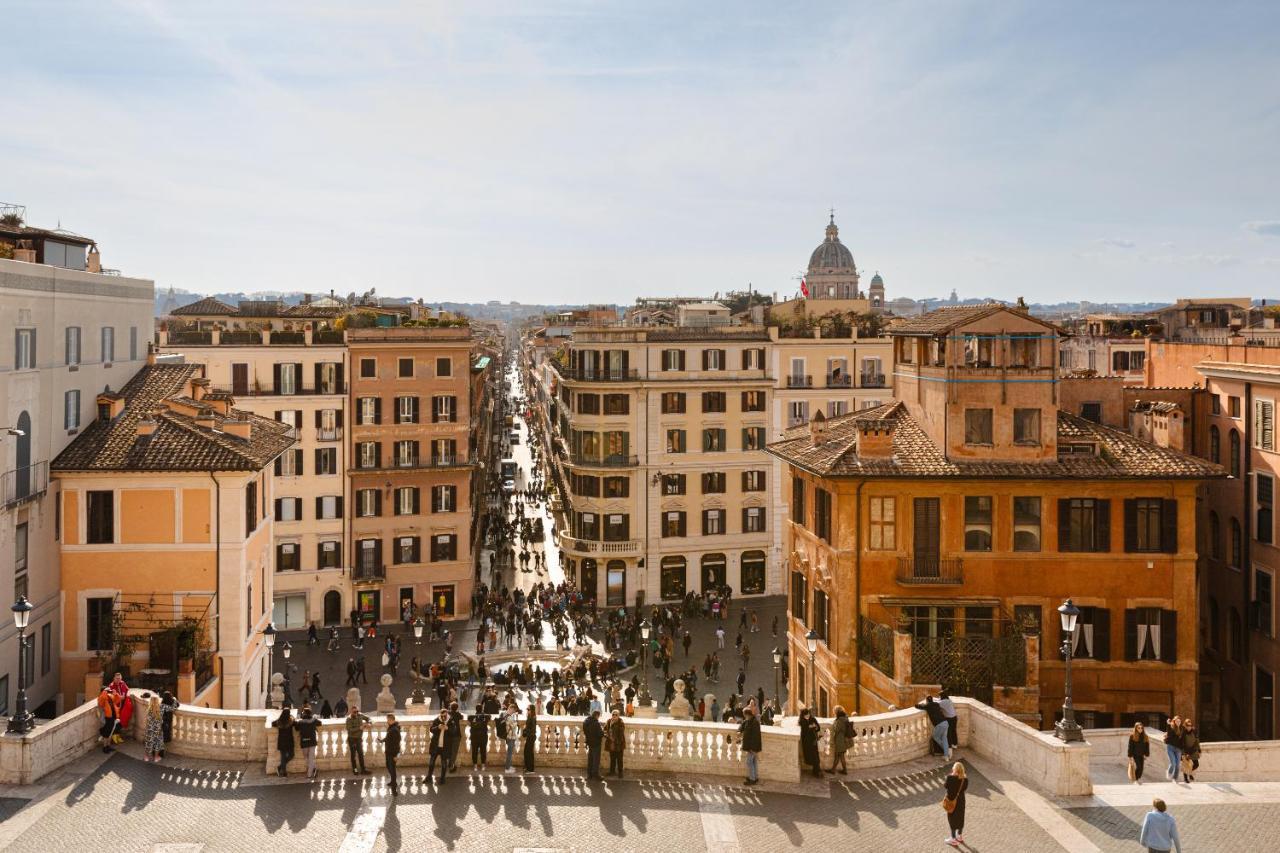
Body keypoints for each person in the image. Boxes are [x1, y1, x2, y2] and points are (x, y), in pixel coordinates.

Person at [916, 695, 951, 761]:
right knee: (944, 738)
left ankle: (946, 751)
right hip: (945, 722)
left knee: (935, 737)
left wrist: (920, 704)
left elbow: (917, 706)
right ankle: (946, 755)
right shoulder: (936, 704)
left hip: (939, 724)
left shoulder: (927, 706)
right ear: (932, 700)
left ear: (927, 701)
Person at [943, 762, 968, 846]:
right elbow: (964, 789)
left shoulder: (949, 778)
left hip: (952, 801)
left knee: (952, 819)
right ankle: (960, 836)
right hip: (961, 801)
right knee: (960, 818)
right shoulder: (965, 779)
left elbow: (945, 786)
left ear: (955, 769)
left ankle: (953, 839)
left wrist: (951, 775)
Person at [738, 705, 762, 785]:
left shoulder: (754, 722)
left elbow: (755, 737)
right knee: (753, 762)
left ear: (747, 714)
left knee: (749, 762)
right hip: (751, 747)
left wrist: (752, 748)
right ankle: (755, 777)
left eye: (744, 715)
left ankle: (752, 779)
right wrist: (740, 730)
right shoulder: (748, 720)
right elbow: (742, 725)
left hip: (752, 747)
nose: (744, 717)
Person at [829, 705, 854, 774]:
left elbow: (836, 729)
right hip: (843, 739)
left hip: (839, 740)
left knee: (839, 755)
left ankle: (842, 770)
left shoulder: (840, 720)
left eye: (834, 711)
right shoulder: (846, 718)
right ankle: (834, 769)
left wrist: (834, 724)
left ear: (836, 712)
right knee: (839, 755)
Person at [296, 705, 319, 779]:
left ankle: (309, 774)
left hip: (304, 741)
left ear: (304, 714)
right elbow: (320, 723)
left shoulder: (300, 722)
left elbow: (296, 728)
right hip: (312, 741)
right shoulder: (314, 720)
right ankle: (314, 768)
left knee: (306, 757)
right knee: (311, 758)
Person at [346, 706, 371, 775]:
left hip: (359, 739)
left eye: (357, 711)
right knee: (353, 755)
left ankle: (363, 769)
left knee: (360, 754)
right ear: (351, 712)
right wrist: (360, 728)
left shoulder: (360, 715)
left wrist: (369, 723)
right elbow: (350, 730)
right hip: (352, 739)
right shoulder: (349, 719)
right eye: (354, 712)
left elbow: (368, 718)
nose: (356, 713)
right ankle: (355, 769)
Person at [798, 707, 822, 778]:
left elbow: (818, 727)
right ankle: (817, 771)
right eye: (806, 715)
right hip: (807, 742)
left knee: (816, 755)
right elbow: (805, 730)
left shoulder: (813, 719)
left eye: (808, 714)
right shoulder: (802, 721)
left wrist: (814, 727)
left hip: (814, 740)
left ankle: (817, 771)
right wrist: (811, 727)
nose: (807, 716)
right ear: (803, 715)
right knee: (812, 756)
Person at [429, 710, 451, 784]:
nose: (443, 717)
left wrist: (448, 729)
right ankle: (429, 777)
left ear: (447, 714)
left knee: (444, 764)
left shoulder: (450, 721)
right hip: (435, 745)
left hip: (445, 746)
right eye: (442, 716)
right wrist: (438, 727)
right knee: (431, 763)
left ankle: (442, 779)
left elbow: (454, 732)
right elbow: (431, 729)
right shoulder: (436, 720)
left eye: (445, 716)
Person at [382, 714, 402, 795]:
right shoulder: (391, 727)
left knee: (392, 770)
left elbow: (397, 743)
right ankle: (392, 781)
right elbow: (388, 738)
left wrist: (396, 755)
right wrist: (382, 740)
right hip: (388, 752)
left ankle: (394, 789)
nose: (387, 721)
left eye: (388, 720)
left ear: (391, 720)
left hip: (392, 753)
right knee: (388, 766)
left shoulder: (395, 729)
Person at [604, 708, 626, 778]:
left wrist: (615, 740)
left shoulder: (620, 723)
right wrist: (608, 736)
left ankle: (620, 772)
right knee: (612, 758)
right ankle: (612, 771)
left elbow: (621, 734)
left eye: (616, 715)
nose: (614, 716)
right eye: (613, 714)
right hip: (611, 744)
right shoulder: (608, 721)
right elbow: (605, 730)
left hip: (619, 744)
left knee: (619, 759)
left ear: (618, 715)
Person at [97, 687, 120, 753]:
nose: (109, 692)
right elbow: (100, 703)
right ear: (103, 692)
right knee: (106, 734)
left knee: (110, 733)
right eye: (107, 691)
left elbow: (117, 700)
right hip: (107, 718)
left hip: (113, 717)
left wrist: (116, 694)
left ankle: (108, 746)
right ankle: (105, 747)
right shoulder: (102, 698)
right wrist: (104, 692)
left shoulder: (110, 697)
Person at [583, 710, 604, 780]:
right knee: (596, 760)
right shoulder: (596, 723)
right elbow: (600, 734)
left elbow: (585, 732)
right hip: (596, 743)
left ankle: (589, 774)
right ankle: (596, 774)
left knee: (590, 759)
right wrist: (603, 731)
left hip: (589, 742)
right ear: (597, 716)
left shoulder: (586, 721)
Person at [143, 695, 165, 763]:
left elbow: (147, 720)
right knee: (157, 743)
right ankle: (156, 757)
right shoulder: (162, 707)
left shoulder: (149, 709)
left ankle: (146, 757)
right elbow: (173, 707)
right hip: (158, 730)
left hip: (149, 730)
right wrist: (174, 699)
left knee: (149, 743)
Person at [500, 702, 520, 773]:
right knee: (509, 753)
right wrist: (516, 719)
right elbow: (514, 725)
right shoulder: (509, 717)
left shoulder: (505, 715)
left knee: (510, 752)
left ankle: (509, 766)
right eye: (513, 710)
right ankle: (507, 768)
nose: (514, 712)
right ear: (511, 709)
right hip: (510, 737)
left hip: (509, 736)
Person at [159, 691, 179, 758]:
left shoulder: (162, 704)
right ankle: (160, 753)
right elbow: (175, 706)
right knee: (163, 738)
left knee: (159, 738)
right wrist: (174, 699)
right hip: (167, 722)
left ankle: (157, 752)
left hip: (160, 722)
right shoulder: (171, 702)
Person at [1164, 717, 1184, 782]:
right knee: (1173, 763)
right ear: (1174, 722)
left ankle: (1175, 779)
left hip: (1178, 749)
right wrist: (1168, 724)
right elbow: (1169, 733)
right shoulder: (1172, 728)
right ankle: (1169, 773)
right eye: (1177, 721)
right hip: (1171, 747)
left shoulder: (1182, 729)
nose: (1178, 722)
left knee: (1177, 765)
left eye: (1179, 721)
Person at [523, 706, 538, 773]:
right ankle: (527, 767)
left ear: (532, 710)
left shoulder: (533, 718)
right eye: (527, 709)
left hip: (531, 737)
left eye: (528, 709)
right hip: (529, 736)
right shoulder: (529, 716)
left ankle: (530, 769)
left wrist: (526, 731)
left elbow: (533, 729)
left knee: (529, 753)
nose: (527, 711)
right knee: (526, 752)